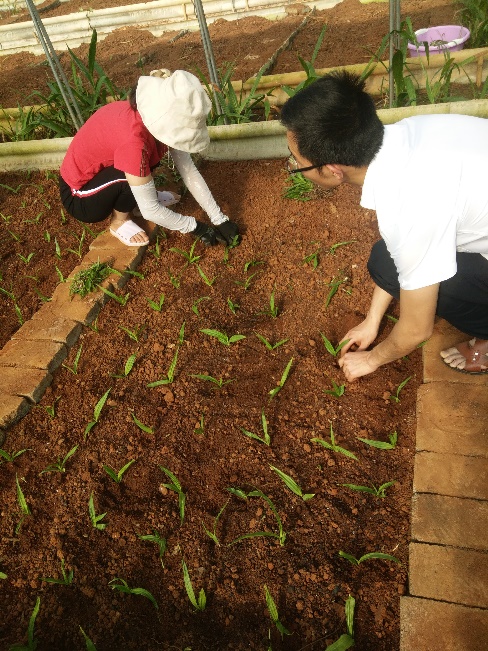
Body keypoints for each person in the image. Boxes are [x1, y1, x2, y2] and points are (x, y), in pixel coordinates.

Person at [280, 70, 488, 380]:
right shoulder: (410, 131)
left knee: (395, 268)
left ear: (333, 170)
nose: (295, 165)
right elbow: (400, 254)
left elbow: (417, 329)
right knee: (385, 261)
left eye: (297, 162)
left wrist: (371, 359)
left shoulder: (409, 204)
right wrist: (371, 320)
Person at [59, 69, 239, 248]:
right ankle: (119, 221)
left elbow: (188, 169)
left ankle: (138, 199)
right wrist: (197, 228)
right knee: (131, 174)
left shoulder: (153, 115)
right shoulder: (134, 143)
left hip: (107, 172)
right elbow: (151, 211)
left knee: (139, 169)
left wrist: (219, 219)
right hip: (80, 195)